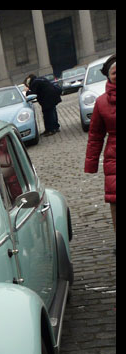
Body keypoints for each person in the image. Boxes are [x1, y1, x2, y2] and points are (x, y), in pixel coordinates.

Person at [84, 54, 116, 235]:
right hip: (114, 157)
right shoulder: (101, 102)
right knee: (115, 200)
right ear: (108, 76)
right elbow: (95, 135)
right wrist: (91, 163)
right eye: (114, 72)